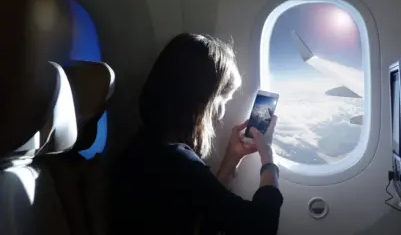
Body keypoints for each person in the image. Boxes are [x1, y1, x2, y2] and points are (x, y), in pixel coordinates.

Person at [110, 33, 283, 235]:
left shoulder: (143, 148)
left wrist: (232, 157)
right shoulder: (179, 163)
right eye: (223, 100)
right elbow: (261, 226)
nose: (222, 114)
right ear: (204, 104)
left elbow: (207, 209)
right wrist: (269, 162)